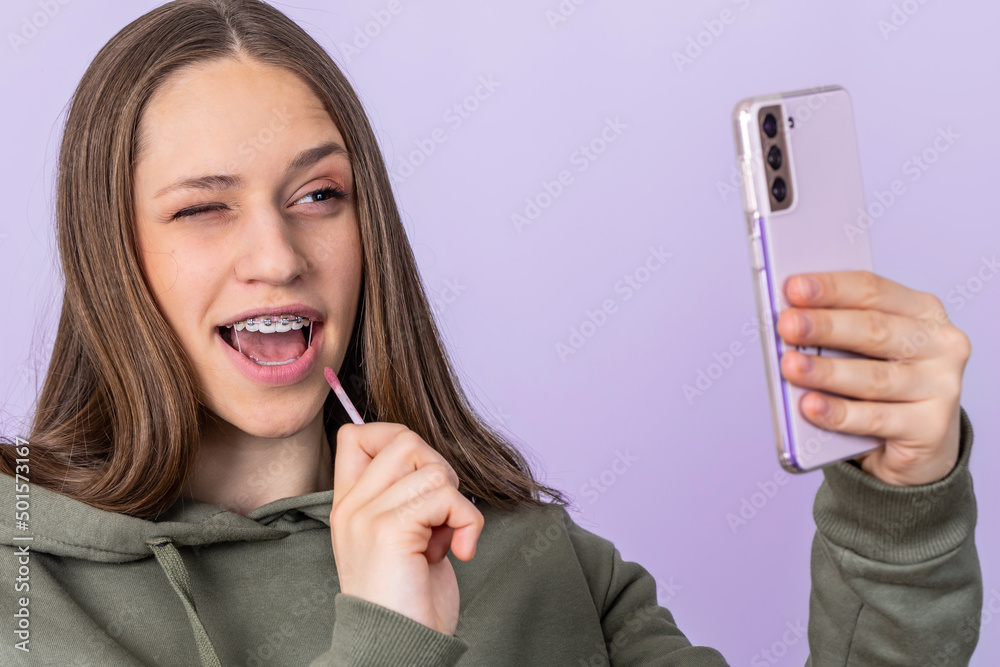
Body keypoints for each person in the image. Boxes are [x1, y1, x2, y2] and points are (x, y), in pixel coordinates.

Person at [0, 0, 981, 665]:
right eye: (202, 208)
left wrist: (899, 507)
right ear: (111, 254)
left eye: (317, 194)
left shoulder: (529, 552)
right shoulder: (25, 586)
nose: (278, 255)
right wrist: (386, 630)